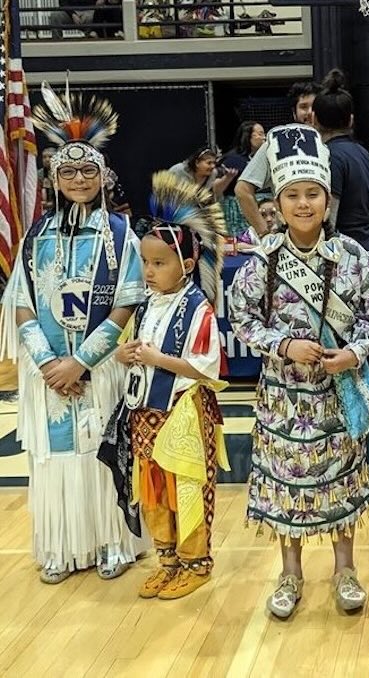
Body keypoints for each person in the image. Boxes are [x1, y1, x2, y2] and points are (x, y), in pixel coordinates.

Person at [229, 124, 369, 620]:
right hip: (282, 397)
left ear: (327, 199)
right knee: (285, 484)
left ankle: (345, 569)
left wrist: (353, 355)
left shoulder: (356, 259)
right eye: (292, 195)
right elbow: (243, 319)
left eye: (312, 194)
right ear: (276, 202)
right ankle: (290, 572)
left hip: (337, 394)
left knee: (340, 478)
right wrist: (285, 344)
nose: (302, 204)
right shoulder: (262, 262)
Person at [0, 83, 148, 583]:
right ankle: (61, 545)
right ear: (53, 178)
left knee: (100, 452)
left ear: (103, 176)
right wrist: (47, 363)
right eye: (68, 171)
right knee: (55, 458)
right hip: (48, 374)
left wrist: (80, 362)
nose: (79, 179)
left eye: (88, 170)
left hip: (99, 368)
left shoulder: (121, 235)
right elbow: (20, 304)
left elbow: (128, 301)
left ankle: (112, 540)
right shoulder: (36, 237)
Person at [100, 171, 228, 600]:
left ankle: (197, 561)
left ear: (187, 266)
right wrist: (123, 354)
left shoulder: (199, 309)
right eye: (145, 263)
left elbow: (207, 367)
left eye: (159, 263)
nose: (149, 271)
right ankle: (167, 559)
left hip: (183, 414)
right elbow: (125, 349)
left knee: (186, 487)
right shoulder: (147, 304)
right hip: (144, 415)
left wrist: (157, 359)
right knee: (152, 488)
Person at [235, 81, 322, 237]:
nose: (309, 112)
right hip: (290, 242)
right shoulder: (277, 143)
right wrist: (265, 234)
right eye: (303, 107)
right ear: (294, 113)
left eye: (315, 107)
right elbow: (243, 190)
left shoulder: (330, 144)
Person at [312, 69, 369, 252]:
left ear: (314, 119)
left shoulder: (330, 156)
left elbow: (329, 219)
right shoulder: (365, 153)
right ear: (350, 120)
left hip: (343, 254)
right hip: (366, 246)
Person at [220, 121, 266, 236]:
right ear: (247, 136)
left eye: (264, 134)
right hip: (237, 210)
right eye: (259, 134)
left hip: (262, 208)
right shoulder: (232, 160)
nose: (264, 138)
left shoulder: (263, 158)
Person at [168, 146, 236, 202]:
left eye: (214, 163)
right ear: (197, 162)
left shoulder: (213, 174)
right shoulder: (178, 171)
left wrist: (227, 178)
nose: (213, 166)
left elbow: (216, 194)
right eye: (209, 163)